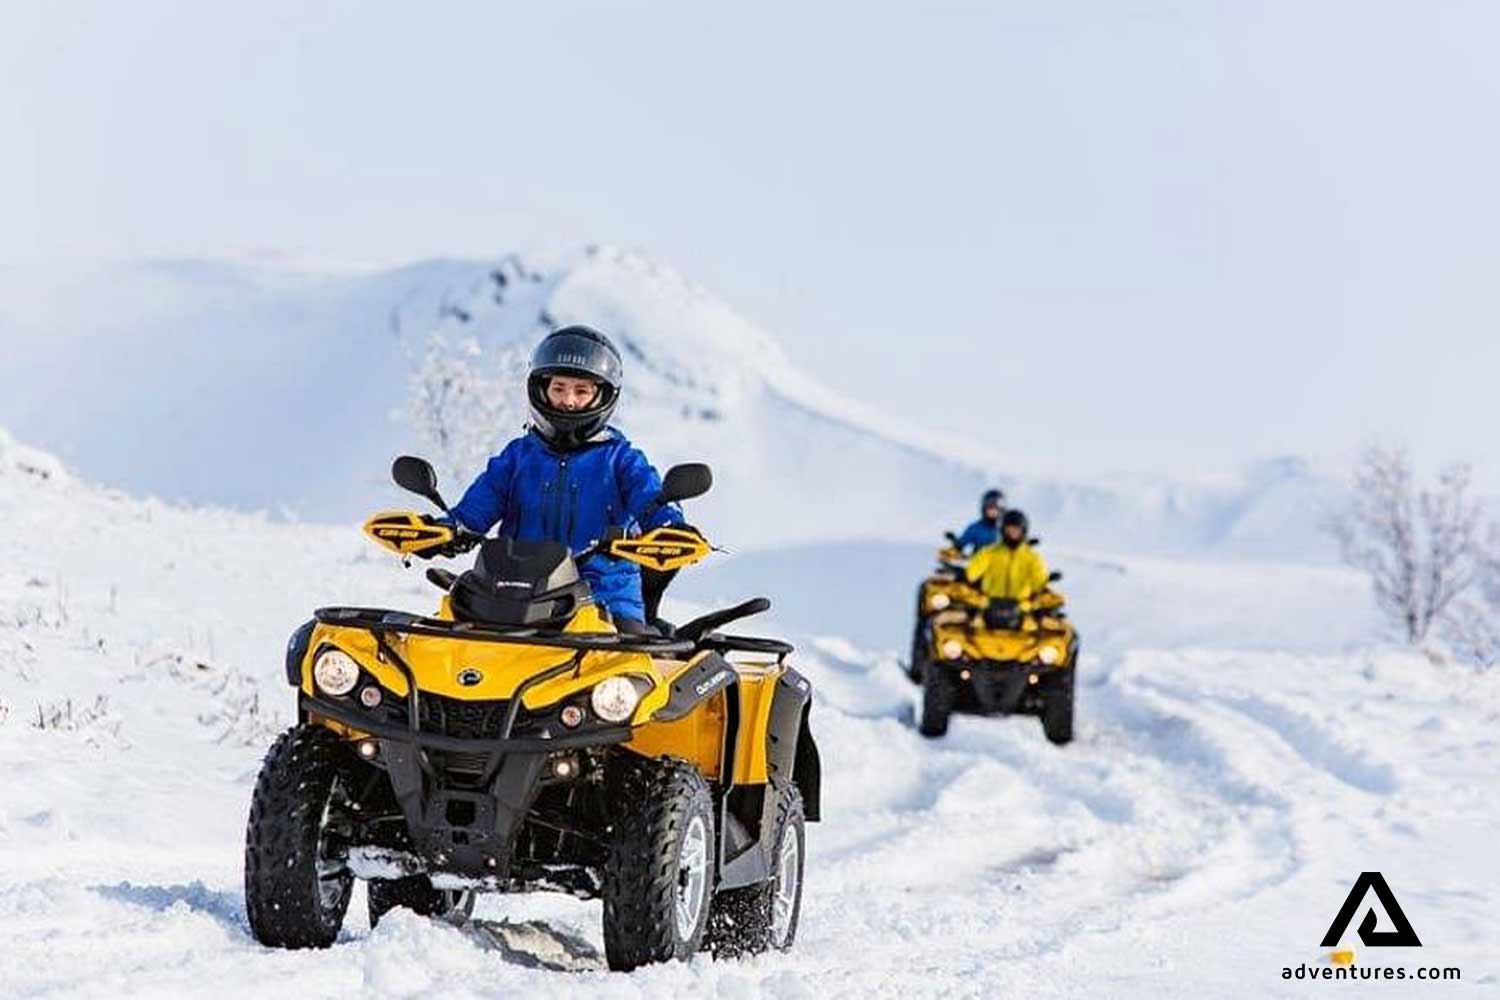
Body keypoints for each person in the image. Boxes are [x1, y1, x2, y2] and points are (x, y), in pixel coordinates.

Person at [446, 325, 685, 631]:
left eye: (581, 391)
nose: (567, 401)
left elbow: (651, 498)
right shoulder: (517, 457)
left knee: (629, 668)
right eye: (558, 388)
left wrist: (671, 528)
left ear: (603, 396)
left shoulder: (622, 459)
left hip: (604, 600)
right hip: (512, 595)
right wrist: (445, 529)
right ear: (541, 388)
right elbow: (476, 509)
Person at [965, 509, 1049, 601]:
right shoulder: (989, 553)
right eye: (1009, 529)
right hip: (989, 603)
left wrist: (1042, 585)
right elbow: (972, 572)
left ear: (1024, 531)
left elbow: (1039, 580)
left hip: (1022, 606)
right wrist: (964, 576)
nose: (1013, 533)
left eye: (1017, 529)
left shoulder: (1033, 557)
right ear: (1002, 530)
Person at [953, 488, 1005, 553]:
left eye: (996, 509)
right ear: (984, 509)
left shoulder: (1006, 528)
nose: (993, 512)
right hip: (979, 559)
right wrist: (956, 543)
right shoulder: (976, 528)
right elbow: (962, 543)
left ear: (1002, 510)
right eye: (990, 508)